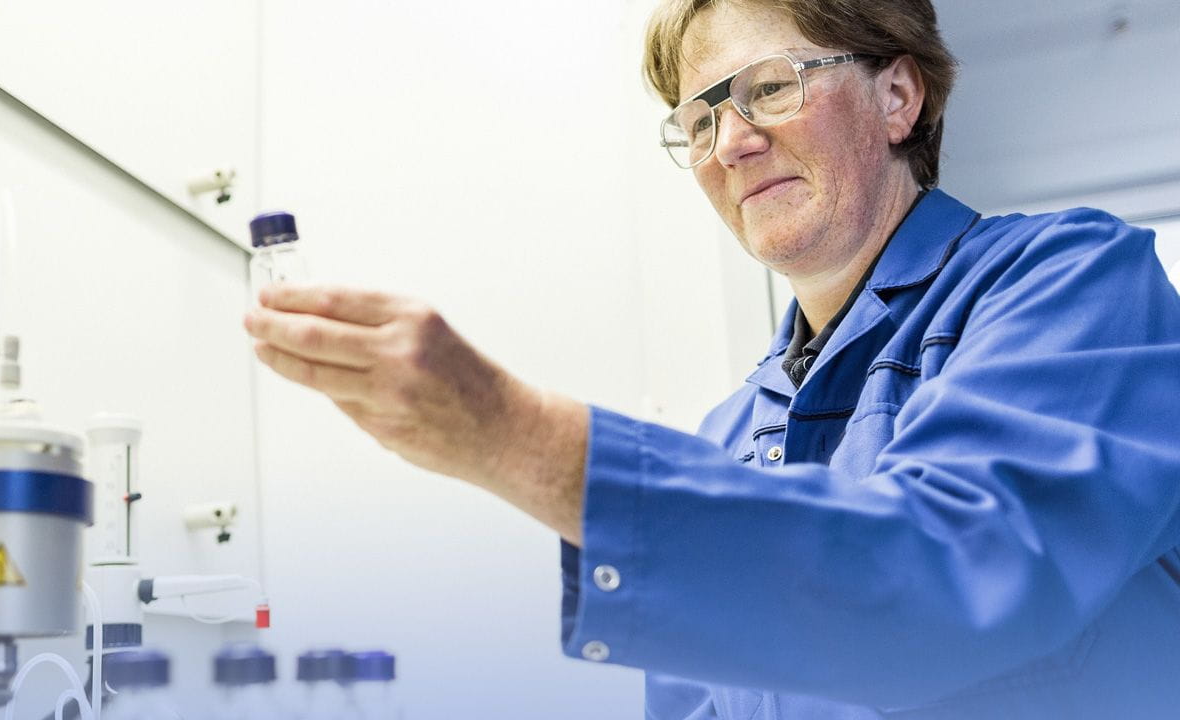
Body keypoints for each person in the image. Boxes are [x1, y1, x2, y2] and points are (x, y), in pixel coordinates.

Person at [243, 0, 1180, 717]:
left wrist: (516, 437)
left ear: (898, 95)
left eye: (769, 87)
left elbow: (959, 569)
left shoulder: (1069, 280)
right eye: (696, 121)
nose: (729, 142)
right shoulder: (730, 434)